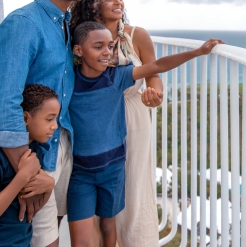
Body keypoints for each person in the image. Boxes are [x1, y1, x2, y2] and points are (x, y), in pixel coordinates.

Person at [67, 21, 222, 247]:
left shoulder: (116, 77)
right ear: (78, 51)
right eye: (98, 47)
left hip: (112, 170)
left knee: (108, 227)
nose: (106, 53)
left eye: (109, 47)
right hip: (81, 173)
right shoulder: (68, 81)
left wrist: (198, 52)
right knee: (80, 241)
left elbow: (157, 65)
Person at [0, 0, 89, 246]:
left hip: (60, 145)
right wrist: (31, 173)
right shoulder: (24, 23)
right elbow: (4, 105)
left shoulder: (62, 26)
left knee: (53, 232)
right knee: (44, 241)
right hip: (33, 157)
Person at [69, 0, 163, 246]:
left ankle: (137, 241)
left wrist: (155, 93)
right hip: (97, 121)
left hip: (133, 115)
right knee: (96, 197)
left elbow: (153, 71)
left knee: (134, 185)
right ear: (93, 3)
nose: (117, 2)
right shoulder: (83, 36)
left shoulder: (137, 35)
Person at [0, 84, 58, 246]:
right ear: (26, 118)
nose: (55, 126)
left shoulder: (34, 154)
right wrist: (21, 178)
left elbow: (30, 211)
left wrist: (49, 187)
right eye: (49, 119)